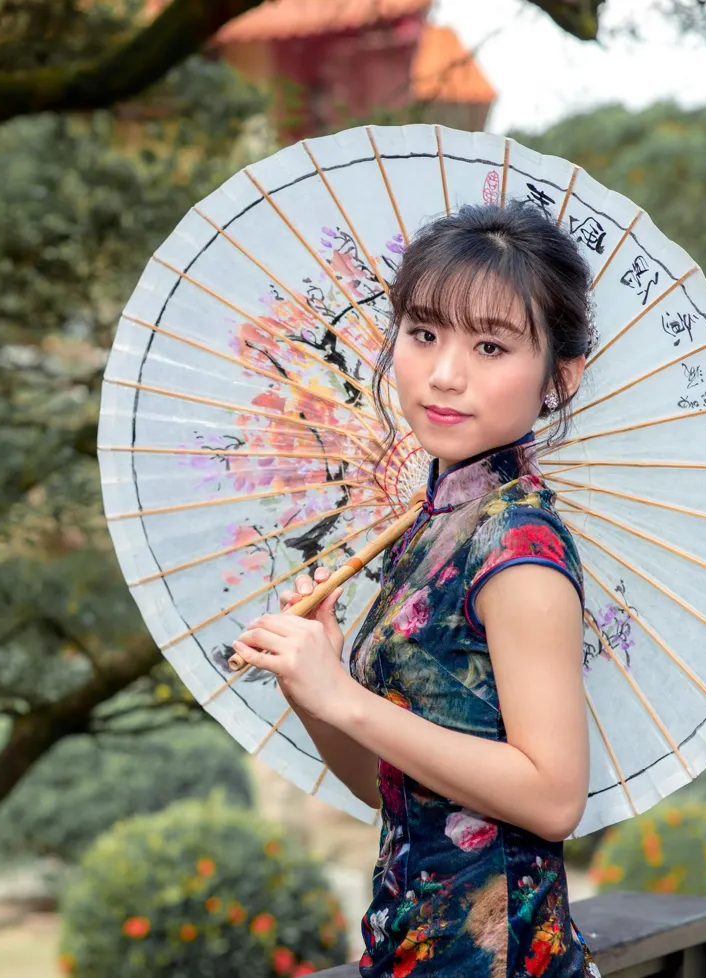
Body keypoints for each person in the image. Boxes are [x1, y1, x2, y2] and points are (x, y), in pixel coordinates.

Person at [231, 201, 601, 978]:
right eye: (424, 333)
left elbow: (553, 796)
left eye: (492, 345)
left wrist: (349, 699)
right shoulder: (428, 529)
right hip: (409, 948)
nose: (444, 374)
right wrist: (313, 684)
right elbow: (389, 792)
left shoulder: (518, 547)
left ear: (558, 379)